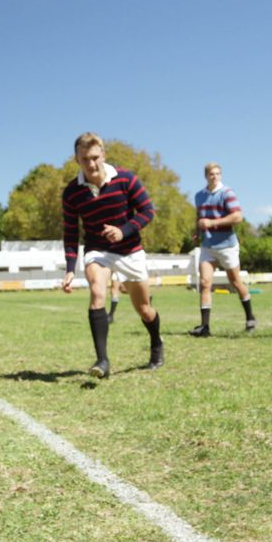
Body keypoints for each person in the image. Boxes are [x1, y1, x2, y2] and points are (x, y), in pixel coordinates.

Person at [61, 132, 163, 378]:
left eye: (95, 157)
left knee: (144, 309)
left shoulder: (126, 179)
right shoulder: (72, 192)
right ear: (77, 160)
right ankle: (102, 361)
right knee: (97, 292)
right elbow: (71, 233)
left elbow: (148, 211)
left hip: (130, 251)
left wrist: (124, 230)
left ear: (103, 155)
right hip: (98, 250)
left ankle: (156, 342)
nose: (91, 164)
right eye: (85, 159)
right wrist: (69, 268)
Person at [188, 162, 257, 337]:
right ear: (206, 176)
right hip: (208, 246)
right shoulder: (199, 196)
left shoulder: (227, 193)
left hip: (227, 245)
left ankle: (250, 317)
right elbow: (199, 217)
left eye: (218, 174)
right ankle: (205, 327)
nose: (215, 176)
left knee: (235, 282)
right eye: (211, 174)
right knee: (204, 283)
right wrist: (197, 232)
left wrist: (212, 223)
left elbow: (237, 216)